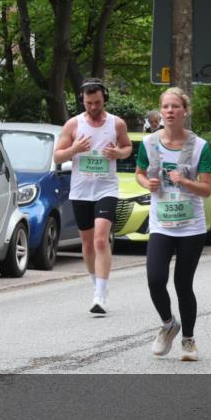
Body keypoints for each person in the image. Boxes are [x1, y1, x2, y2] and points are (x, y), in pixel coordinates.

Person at [135, 87, 211, 362]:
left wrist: (184, 181)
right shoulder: (148, 143)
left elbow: (206, 189)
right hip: (161, 223)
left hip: (191, 226)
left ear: (185, 111)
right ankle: (168, 324)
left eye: (175, 107)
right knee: (155, 280)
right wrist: (148, 183)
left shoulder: (201, 146)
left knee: (183, 283)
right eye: (165, 107)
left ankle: (188, 340)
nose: (169, 111)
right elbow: (140, 174)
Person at [53, 78, 132, 314]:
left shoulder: (116, 124)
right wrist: (74, 150)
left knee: (100, 239)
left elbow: (127, 148)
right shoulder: (73, 125)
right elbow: (57, 156)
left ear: (104, 99)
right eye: (89, 103)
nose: (93, 107)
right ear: (82, 101)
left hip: (106, 188)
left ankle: (100, 294)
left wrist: (117, 152)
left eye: (97, 102)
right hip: (81, 190)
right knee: (87, 244)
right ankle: (96, 283)